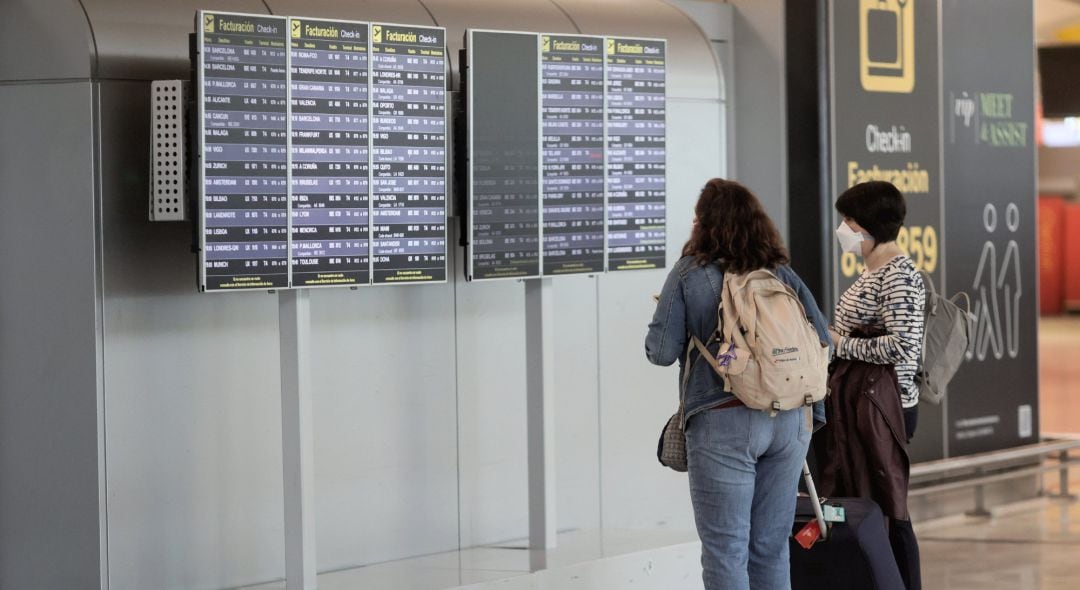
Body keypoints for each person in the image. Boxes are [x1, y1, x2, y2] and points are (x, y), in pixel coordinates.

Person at [646, 178, 830, 590]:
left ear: (702, 224)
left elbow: (659, 351)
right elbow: (822, 337)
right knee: (770, 547)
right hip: (790, 420)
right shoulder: (779, 271)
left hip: (724, 420)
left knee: (726, 550)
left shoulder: (689, 273)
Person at [825, 180, 925, 590]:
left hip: (885, 409)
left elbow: (903, 346)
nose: (844, 229)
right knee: (870, 504)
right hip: (864, 405)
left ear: (867, 225)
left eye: (848, 220)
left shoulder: (899, 276)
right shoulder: (876, 272)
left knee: (889, 507)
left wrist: (840, 343)